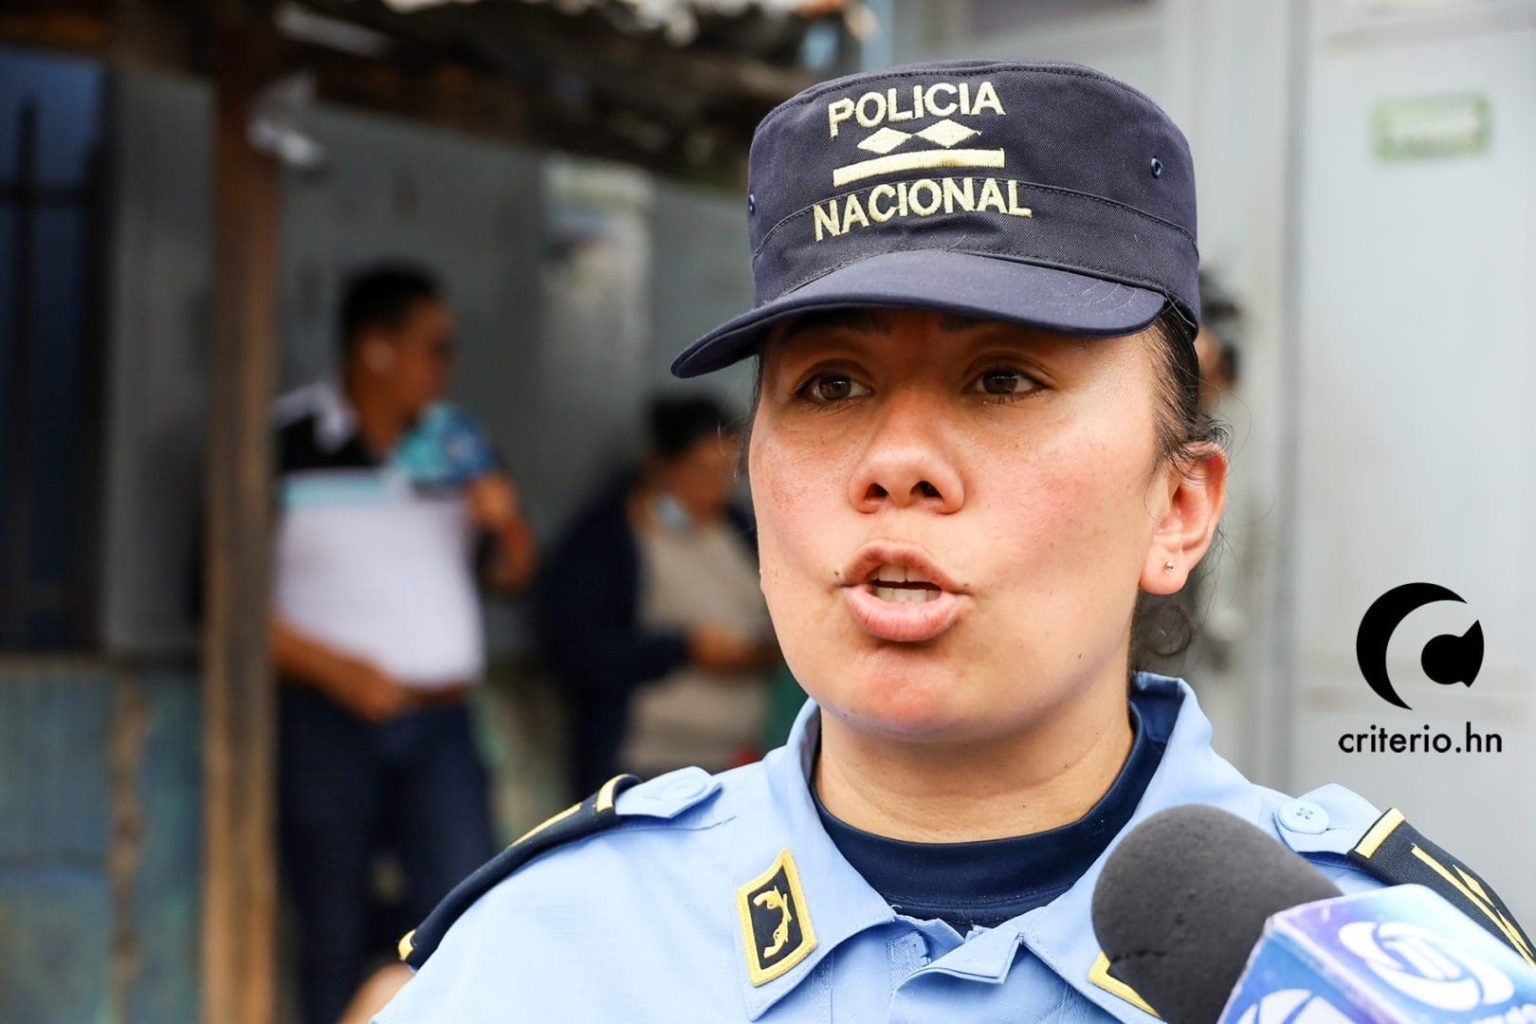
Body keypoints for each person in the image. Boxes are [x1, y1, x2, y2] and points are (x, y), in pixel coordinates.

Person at [379, 62, 1531, 1022]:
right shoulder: (552, 950)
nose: (897, 461)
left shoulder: (1369, 973)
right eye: (832, 384)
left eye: (1004, 378)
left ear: (1178, 508)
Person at [271, 263, 535, 1024]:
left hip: (441, 727)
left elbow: (514, 574)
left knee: (467, 916)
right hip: (325, 721)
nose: (448, 366)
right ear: (375, 349)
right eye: (436, 347)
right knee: (331, 929)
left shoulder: (458, 441)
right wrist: (336, 671)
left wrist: (503, 520)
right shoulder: (283, 439)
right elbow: (218, 600)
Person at [539, 395, 779, 795]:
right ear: (659, 464)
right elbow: (579, 648)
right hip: (642, 764)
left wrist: (763, 649)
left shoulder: (737, 528)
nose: (716, 489)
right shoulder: (607, 540)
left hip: (739, 761)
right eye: (701, 471)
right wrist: (685, 648)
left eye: (727, 473)